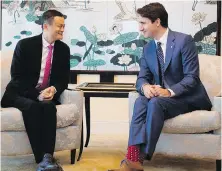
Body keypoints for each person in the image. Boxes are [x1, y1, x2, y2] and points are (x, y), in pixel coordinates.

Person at [108, 2, 212, 171]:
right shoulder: (148, 48)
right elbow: (141, 78)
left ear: (157, 22)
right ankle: (133, 158)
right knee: (141, 101)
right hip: (163, 100)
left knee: (156, 103)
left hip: (189, 98)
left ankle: (139, 158)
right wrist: (146, 87)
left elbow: (192, 78)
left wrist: (169, 91)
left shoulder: (183, 40)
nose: (140, 28)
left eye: (143, 23)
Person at [1, 9, 70, 171]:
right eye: (59, 26)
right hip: (19, 92)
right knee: (32, 107)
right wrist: (37, 95)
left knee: (48, 106)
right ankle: (43, 160)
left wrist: (53, 89)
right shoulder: (24, 45)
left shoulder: (63, 49)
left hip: (45, 95)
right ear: (45, 26)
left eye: (64, 26)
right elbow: (17, 78)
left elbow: (63, 80)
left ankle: (47, 156)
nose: (62, 30)